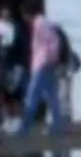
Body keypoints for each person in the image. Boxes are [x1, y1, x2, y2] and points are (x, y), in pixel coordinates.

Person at [16, 8, 70, 137]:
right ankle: (57, 126)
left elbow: (51, 43)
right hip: (48, 63)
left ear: (28, 14)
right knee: (52, 96)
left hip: (42, 64)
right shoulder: (46, 23)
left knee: (32, 95)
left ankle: (25, 127)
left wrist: (46, 60)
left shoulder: (40, 24)